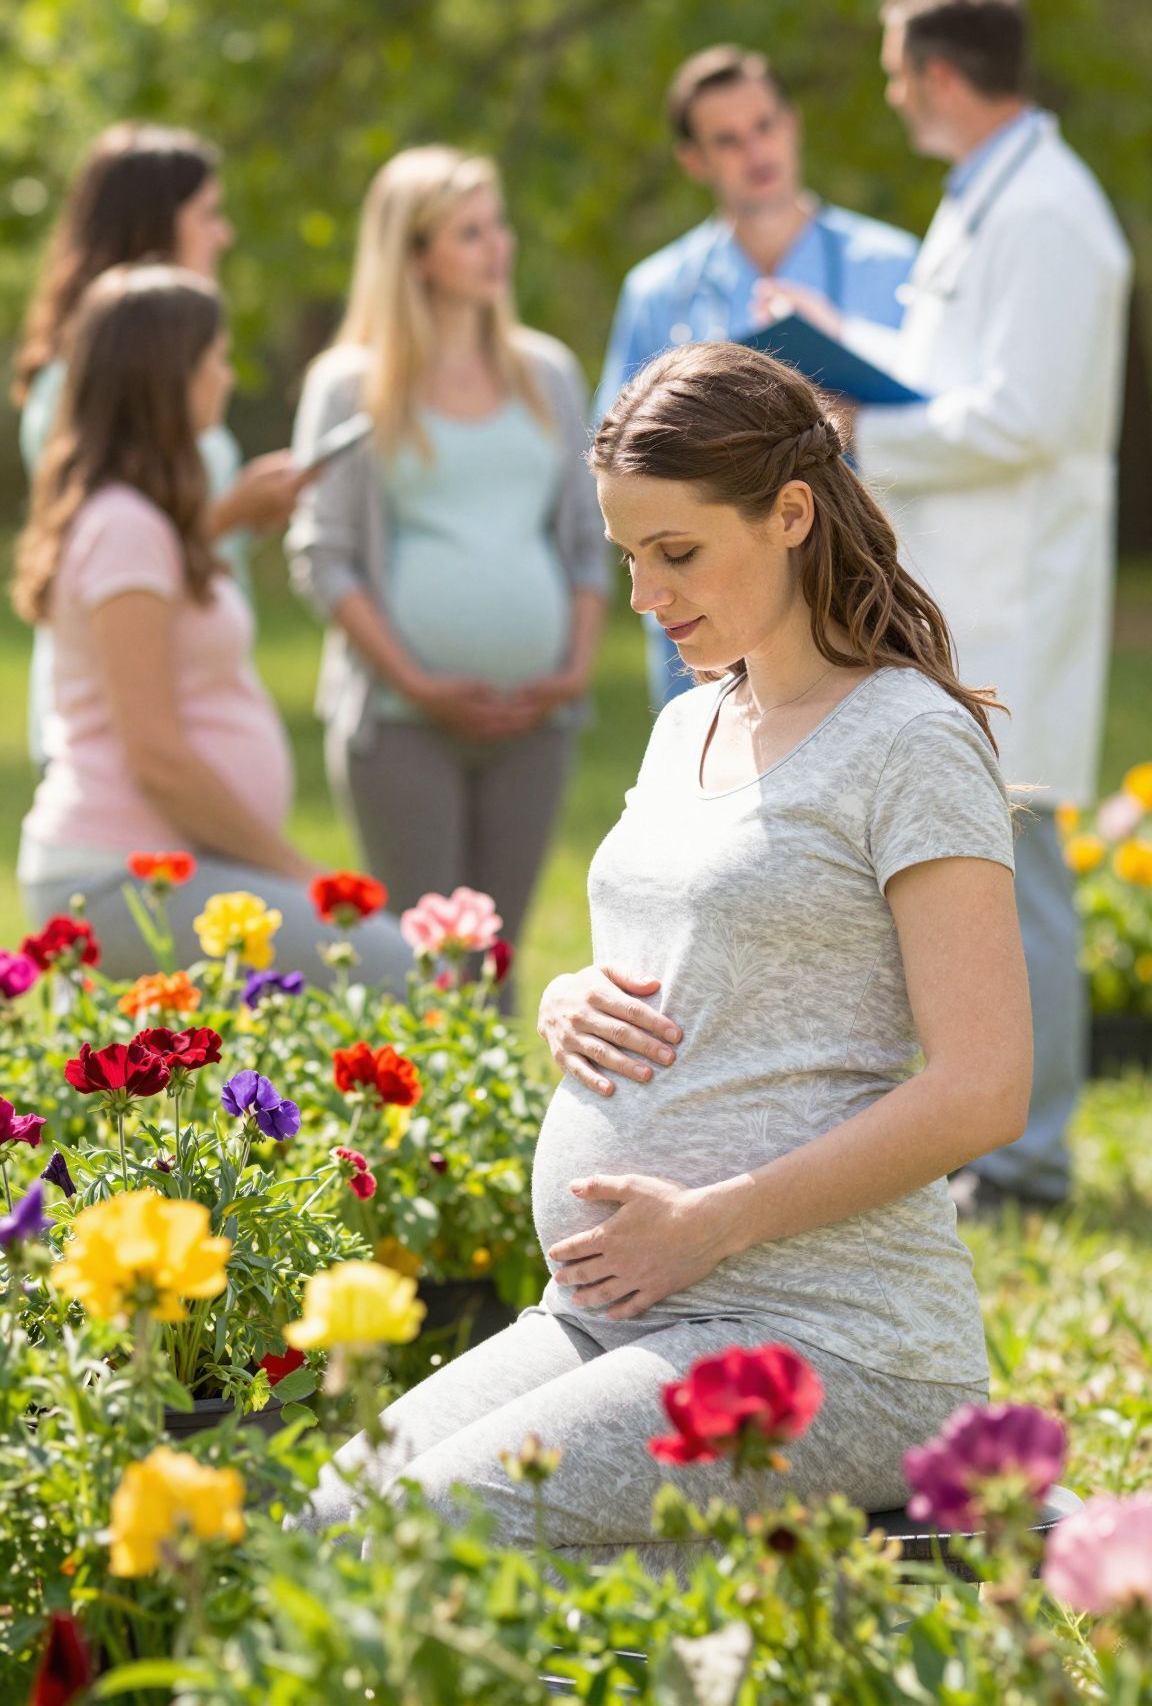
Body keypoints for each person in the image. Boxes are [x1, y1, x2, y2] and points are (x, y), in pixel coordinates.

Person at [304, 341, 1032, 1570]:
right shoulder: (688, 720)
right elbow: (684, 960)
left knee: (422, 1542)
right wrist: (565, 996)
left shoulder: (908, 740)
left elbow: (985, 1086)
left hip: (831, 1331)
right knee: (328, 1514)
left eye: (678, 551)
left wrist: (714, 1221)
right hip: (612, 1312)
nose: (644, 594)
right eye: (628, 554)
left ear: (791, 512)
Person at [776, 0, 1133, 1215]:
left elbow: (1021, 415)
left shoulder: (1047, 213)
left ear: (937, 73)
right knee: (964, 848)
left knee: (1018, 863)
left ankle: (1029, 1159)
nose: (889, 93)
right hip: (961, 573)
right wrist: (841, 348)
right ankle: (979, 1133)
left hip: (1013, 585)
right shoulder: (984, 197)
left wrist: (862, 422)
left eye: (895, 70)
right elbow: (953, 373)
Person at [12, 264, 412, 989]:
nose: (227, 379)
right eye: (217, 359)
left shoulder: (139, 521)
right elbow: (156, 756)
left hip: (162, 862)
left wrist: (233, 517)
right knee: (390, 967)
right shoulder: (125, 528)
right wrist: (297, 871)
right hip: (116, 872)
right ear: (170, 380)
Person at [286, 146, 609, 957]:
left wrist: (574, 670)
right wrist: (418, 683)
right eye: (470, 232)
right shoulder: (350, 383)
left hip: (537, 716)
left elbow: (588, 534)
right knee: (420, 962)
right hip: (402, 724)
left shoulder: (547, 373)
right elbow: (324, 555)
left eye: (498, 225)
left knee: (496, 958)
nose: (498, 246)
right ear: (415, 254)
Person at [594, 45, 918, 708]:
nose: (755, 151)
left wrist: (850, 419)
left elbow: (943, 426)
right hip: (704, 603)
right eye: (728, 140)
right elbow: (616, 454)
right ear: (695, 160)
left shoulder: (894, 265)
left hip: (849, 585)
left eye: (765, 126)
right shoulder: (658, 291)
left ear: (792, 125)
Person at [13, 123, 309, 759]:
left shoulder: (183, 364)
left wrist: (246, 511)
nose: (224, 234)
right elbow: (100, 547)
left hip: (194, 684)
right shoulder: (74, 380)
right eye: (208, 215)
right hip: (116, 716)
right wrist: (234, 512)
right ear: (152, 224)